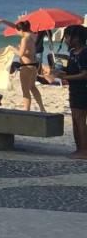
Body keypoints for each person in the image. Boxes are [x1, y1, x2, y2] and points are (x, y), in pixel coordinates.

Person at [54, 24, 87, 159]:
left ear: (77, 38)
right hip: (74, 90)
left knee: (80, 120)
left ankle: (84, 150)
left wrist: (66, 77)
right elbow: (73, 71)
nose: (66, 39)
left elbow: (85, 74)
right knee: (75, 119)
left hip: (83, 91)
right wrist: (60, 72)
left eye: (68, 37)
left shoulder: (84, 53)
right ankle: (79, 148)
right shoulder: (73, 53)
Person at [15, 20, 45, 113]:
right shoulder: (33, 36)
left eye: (17, 31)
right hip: (34, 65)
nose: (17, 33)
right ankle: (42, 108)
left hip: (26, 66)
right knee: (32, 87)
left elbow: (20, 54)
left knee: (25, 90)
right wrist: (3, 21)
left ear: (21, 30)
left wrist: (12, 49)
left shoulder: (24, 39)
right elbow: (28, 51)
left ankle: (26, 111)